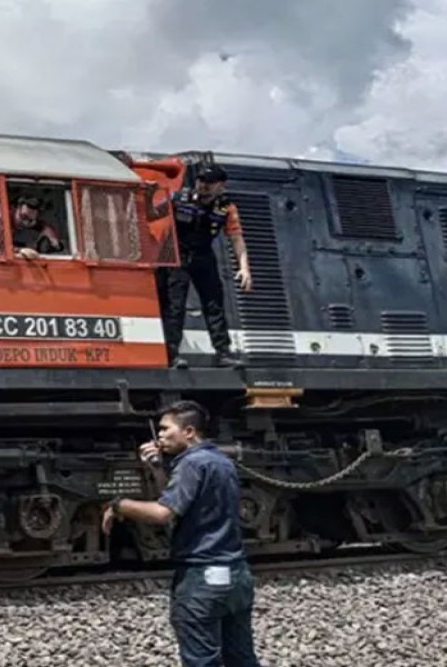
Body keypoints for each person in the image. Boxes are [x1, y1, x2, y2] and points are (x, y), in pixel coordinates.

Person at [101, 401, 261, 667]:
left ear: (188, 431)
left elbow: (164, 513)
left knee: (202, 660)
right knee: (241, 658)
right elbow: (182, 502)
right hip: (237, 576)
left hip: (201, 579)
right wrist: (156, 467)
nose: (160, 435)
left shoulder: (191, 464)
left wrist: (119, 504)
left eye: (165, 429)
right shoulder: (222, 462)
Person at [157, 164, 251, 369]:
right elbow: (153, 214)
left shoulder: (227, 208)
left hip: (204, 255)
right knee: (175, 305)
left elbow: (236, 238)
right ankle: (172, 354)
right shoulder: (178, 198)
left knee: (214, 303)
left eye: (210, 183)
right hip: (176, 256)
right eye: (201, 181)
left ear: (220, 186)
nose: (204, 186)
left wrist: (244, 268)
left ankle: (223, 353)